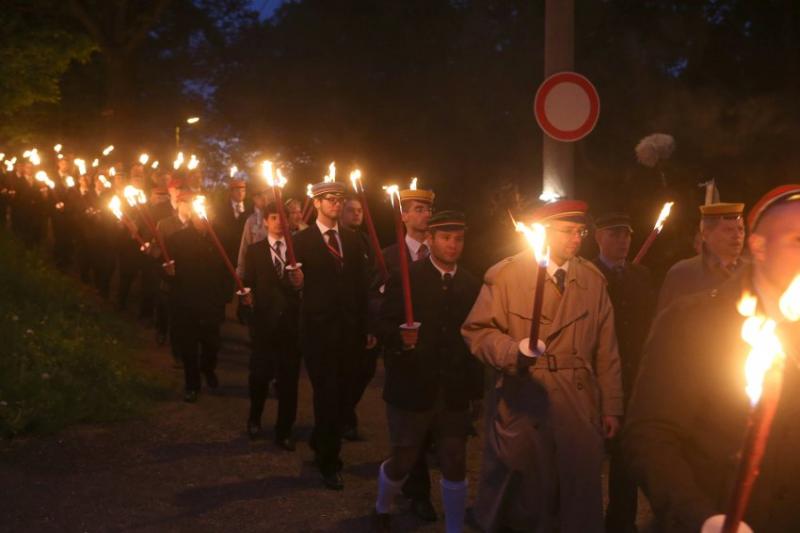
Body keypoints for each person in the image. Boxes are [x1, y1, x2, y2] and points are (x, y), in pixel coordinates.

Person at [624, 185, 800, 533]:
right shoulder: (692, 322)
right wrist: (701, 518)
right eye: (798, 240)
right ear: (760, 247)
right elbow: (651, 435)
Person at [461, 199, 623, 533]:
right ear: (544, 232)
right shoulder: (507, 275)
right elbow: (477, 331)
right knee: (524, 492)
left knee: (576, 491)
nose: (576, 238)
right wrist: (513, 351)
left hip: (577, 404)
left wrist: (611, 406)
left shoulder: (592, 280)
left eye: (580, 232)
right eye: (568, 231)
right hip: (525, 398)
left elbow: (607, 350)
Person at [373, 211, 482, 533]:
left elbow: (476, 338)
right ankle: (382, 505)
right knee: (404, 458)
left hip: (453, 389)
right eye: (445, 238)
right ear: (430, 240)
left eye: (458, 239)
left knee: (454, 459)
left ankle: (454, 527)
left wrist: (476, 390)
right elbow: (382, 323)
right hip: (413, 386)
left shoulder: (471, 284)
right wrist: (399, 337)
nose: (453, 245)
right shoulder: (407, 277)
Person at [293, 179, 369, 490]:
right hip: (318, 331)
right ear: (317, 203)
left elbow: (361, 286)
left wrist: (366, 326)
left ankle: (321, 438)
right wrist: (295, 282)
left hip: (349, 331)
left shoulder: (352, 240)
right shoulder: (302, 241)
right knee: (327, 394)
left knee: (344, 394)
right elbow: (290, 283)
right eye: (330, 200)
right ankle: (329, 461)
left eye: (340, 199)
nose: (337, 204)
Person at [592, 212, 656, 533]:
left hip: (632, 376)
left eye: (627, 235)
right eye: (615, 234)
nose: (623, 241)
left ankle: (621, 522)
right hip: (594, 377)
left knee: (625, 457)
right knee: (588, 457)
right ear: (598, 237)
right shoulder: (588, 274)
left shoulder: (641, 275)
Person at [378, 184, 439, 521]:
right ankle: (418, 492)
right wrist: (395, 335)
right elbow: (375, 304)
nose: (425, 215)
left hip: (436, 351)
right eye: (417, 209)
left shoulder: (441, 253)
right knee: (410, 426)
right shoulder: (388, 257)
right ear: (402, 216)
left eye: (428, 209)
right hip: (403, 352)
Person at [241, 202, 302, 451]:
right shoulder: (255, 251)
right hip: (264, 325)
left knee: (288, 381)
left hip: (291, 325)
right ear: (265, 221)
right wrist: (247, 301)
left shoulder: (298, 249)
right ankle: (255, 418)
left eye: (283, 218)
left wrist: (301, 285)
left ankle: (284, 429)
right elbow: (248, 282)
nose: (279, 222)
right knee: (259, 376)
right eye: (274, 217)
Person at [165, 190, 229, 402]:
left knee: (212, 344)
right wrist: (168, 272)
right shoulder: (177, 239)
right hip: (186, 301)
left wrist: (225, 295)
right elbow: (165, 268)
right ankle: (192, 384)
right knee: (189, 347)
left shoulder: (220, 238)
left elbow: (228, 269)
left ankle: (208, 369)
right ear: (192, 216)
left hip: (211, 301)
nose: (203, 218)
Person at [658, 202, 745, 311]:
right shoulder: (683, 274)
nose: (737, 236)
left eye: (740, 229)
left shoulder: (751, 271)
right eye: (728, 230)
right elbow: (667, 319)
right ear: (706, 234)